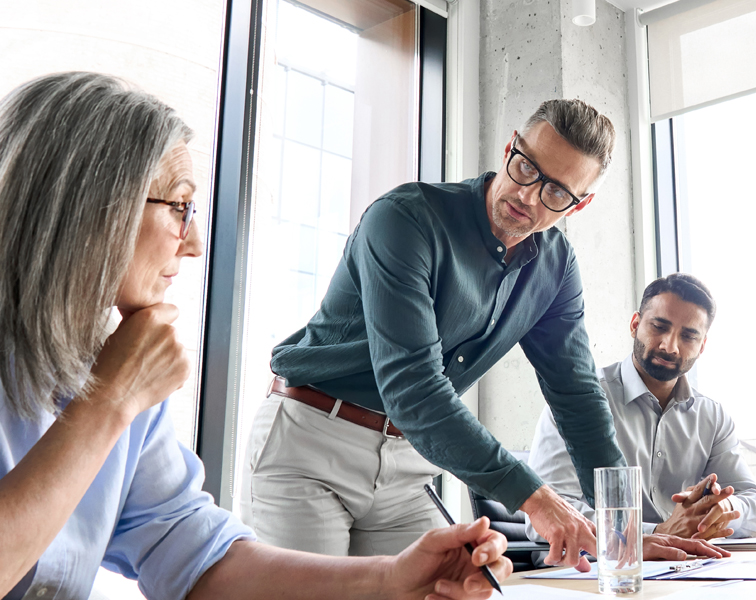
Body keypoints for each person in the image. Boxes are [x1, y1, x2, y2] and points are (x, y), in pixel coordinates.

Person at [0, 71, 509, 600]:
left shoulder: (110, 365)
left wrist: (388, 578)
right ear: (89, 207)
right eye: (179, 206)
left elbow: (193, 555)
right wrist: (108, 404)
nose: (195, 243)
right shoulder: (119, 382)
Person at [252, 97, 703, 568]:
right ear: (510, 147)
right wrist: (536, 497)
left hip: (407, 465)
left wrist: (621, 531)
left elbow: (577, 397)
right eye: (526, 167)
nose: (528, 196)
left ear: (580, 203)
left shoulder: (556, 265)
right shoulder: (405, 219)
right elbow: (414, 388)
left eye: (556, 193)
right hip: (311, 442)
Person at [527, 273, 756, 545]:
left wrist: (722, 509)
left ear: (702, 347)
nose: (670, 346)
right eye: (659, 327)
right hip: (594, 571)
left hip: (684, 568)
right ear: (635, 325)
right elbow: (546, 517)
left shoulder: (712, 417)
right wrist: (656, 535)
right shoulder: (576, 398)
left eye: (688, 336)